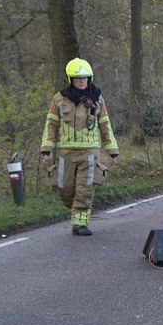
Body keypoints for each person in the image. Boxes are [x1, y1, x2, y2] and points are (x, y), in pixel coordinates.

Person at [40, 58, 119, 236]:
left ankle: (80, 223)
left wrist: (112, 151)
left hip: (90, 152)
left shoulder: (97, 98)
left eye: (85, 77)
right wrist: (46, 150)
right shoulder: (59, 99)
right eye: (78, 78)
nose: (82, 81)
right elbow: (51, 125)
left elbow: (105, 125)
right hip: (65, 153)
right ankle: (76, 210)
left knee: (85, 188)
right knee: (63, 187)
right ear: (71, 79)